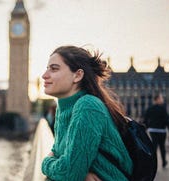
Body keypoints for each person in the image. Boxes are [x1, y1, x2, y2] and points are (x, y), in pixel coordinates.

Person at [41, 45, 132, 181]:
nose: (44, 75)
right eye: (47, 68)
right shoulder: (63, 108)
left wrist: (45, 163)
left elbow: (69, 173)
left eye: (54, 69)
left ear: (77, 75)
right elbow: (57, 152)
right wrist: (81, 173)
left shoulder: (88, 106)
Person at [143, 93, 169, 168]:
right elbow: (167, 121)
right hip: (162, 131)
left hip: (152, 130)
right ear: (157, 99)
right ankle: (164, 162)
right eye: (161, 98)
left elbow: (145, 120)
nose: (162, 99)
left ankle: (153, 164)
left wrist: (147, 128)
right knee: (162, 147)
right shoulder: (163, 109)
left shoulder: (150, 108)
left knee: (154, 148)